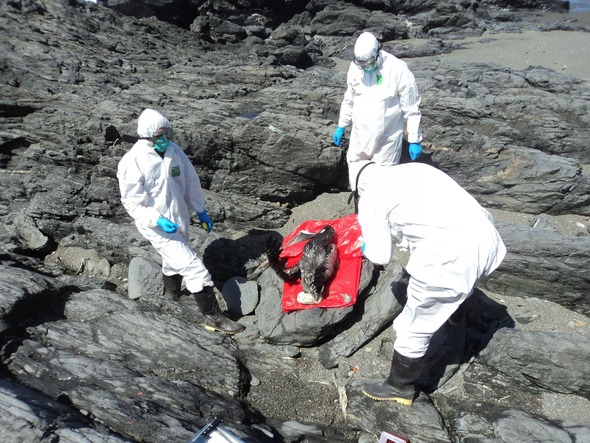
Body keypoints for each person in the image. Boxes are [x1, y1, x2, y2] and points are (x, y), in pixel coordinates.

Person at [351, 160, 506, 405]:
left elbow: (382, 255)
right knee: (457, 279)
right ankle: (454, 310)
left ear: (359, 189)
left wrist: (363, 245)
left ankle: (399, 386)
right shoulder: (417, 169)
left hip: (452, 254)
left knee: (413, 325)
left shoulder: (371, 197)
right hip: (486, 239)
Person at [117, 108, 244, 334]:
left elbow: (190, 181)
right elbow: (132, 203)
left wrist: (200, 210)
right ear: (147, 136)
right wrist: (156, 219)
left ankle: (172, 295)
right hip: (156, 225)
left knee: (174, 258)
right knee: (196, 269)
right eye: (160, 136)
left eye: (167, 134)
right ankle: (215, 319)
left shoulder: (175, 152)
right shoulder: (133, 161)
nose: (165, 139)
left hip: (179, 216)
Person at [333, 31, 423, 186]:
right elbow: (349, 99)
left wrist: (414, 139)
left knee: (383, 184)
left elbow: (411, 108)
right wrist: (342, 125)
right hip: (359, 135)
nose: (365, 67)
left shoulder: (397, 69)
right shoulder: (355, 68)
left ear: (378, 53)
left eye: (369, 62)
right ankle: (359, 205)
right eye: (361, 63)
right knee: (356, 176)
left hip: (386, 139)